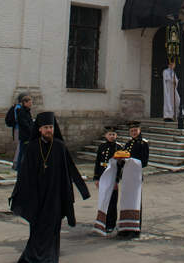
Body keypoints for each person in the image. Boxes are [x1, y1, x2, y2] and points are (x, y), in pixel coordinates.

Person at [10, 111, 90, 263]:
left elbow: (71, 168)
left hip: (55, 197)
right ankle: (32, 256)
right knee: (37, 228)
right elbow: (25, 174)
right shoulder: (32, 147)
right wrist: (22, 194)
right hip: (37, 196)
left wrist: (83, 190)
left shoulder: (59, 146)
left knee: (53, 229)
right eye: (46, 127)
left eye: (51, 127)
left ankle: (50, 257)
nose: (48, 130)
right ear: (39, 129)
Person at [118, 121, 149, 238]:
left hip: (136, 176)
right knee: (126, 200)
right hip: (126, 176)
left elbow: (144, 162)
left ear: (139, 130)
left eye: (135, 130)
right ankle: (125, 226)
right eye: (131, 131)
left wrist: (131, 161)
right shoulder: (128, 143)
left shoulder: (143, 143)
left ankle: (135, 229)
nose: (134, 133)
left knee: (135, 201)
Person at [93, 126, 122, 235]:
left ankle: (111, 224)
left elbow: (119, 167)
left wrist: (116, 181)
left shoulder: (118, 147)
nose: (111, 136)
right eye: (110, 134)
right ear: (106, 135)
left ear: (116, 136)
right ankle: (102, 222)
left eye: (113, 134)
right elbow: (97, 162)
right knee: (103, 200)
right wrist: (96, 178)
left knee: (112, 202)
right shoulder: (102, 146)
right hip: (102, 177)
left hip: (112, 178)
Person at [13, 93, 34, 171]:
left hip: (27, 135)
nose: (31, 103)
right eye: (30, 102)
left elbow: (30, 122)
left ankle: (21, 168)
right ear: (25, 102)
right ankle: (19, 168)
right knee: (22, 153)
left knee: (23, 152)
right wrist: (31, 130)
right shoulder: (21, 111)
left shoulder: (27, 111)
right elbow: (25, 124)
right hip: (25, 136)